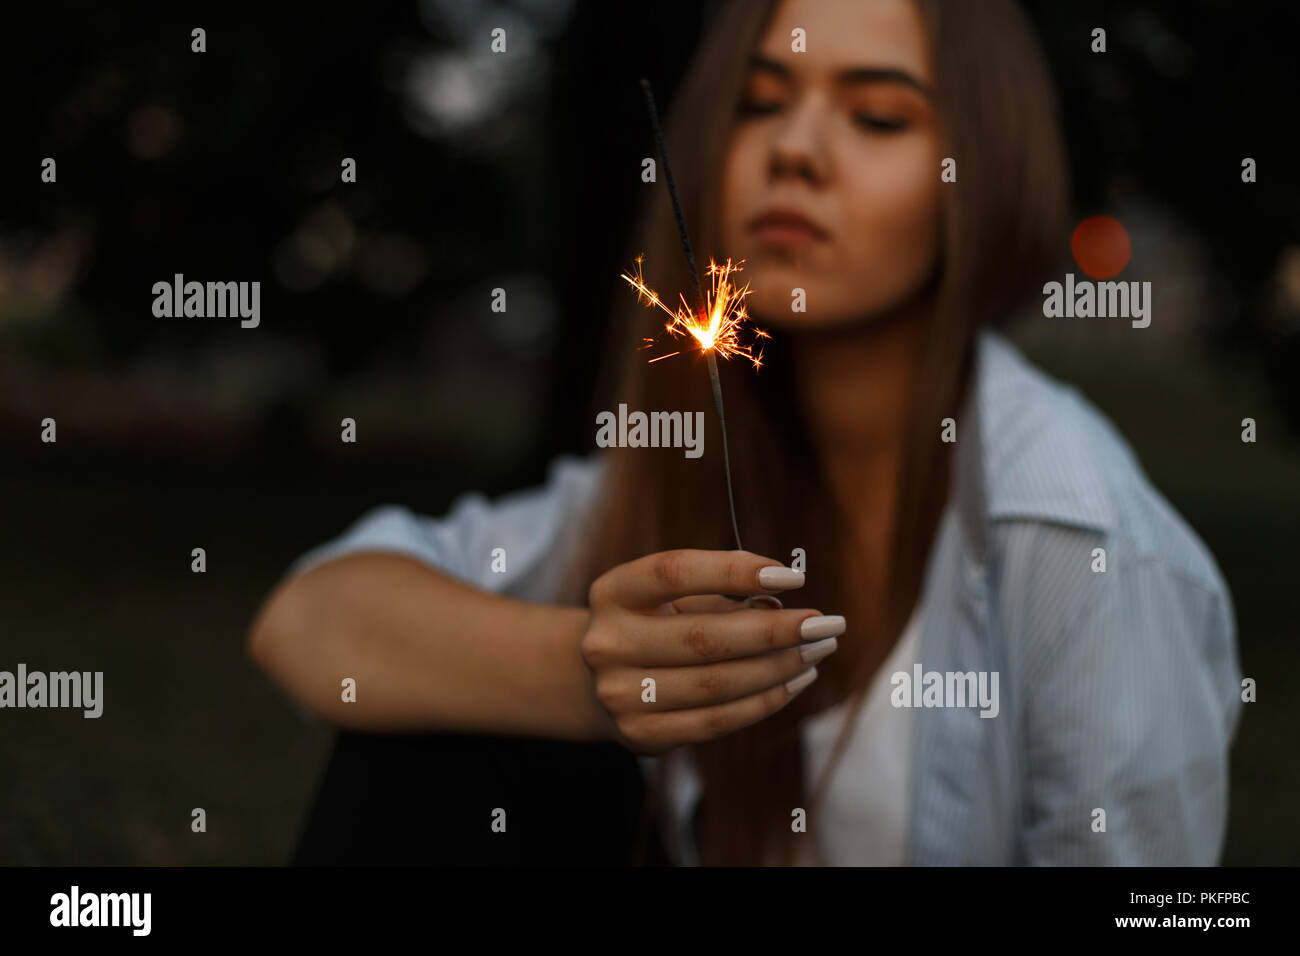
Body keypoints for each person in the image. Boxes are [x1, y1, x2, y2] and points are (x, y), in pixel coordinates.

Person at [248, 0, 1243, 866]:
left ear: (977, 175)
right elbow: (308, 618)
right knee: (424, 741)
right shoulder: (700, 459)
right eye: (760, 101)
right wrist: (589, 672)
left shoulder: (1078, 545)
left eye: (877, 115)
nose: (794, 149)